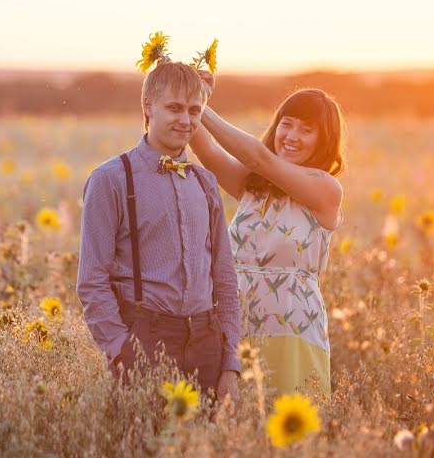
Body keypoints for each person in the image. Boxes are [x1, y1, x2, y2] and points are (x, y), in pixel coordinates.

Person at [76, 60, 241, 399]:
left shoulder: (206, 183)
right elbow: (92, 280)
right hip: (144, 339)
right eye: (175, 108)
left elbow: (224, 279)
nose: (186, 120)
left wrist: (230, 361)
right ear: (148, 105)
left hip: (206, 342)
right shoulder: (111, 179)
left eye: (195, 110)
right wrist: (122, 351)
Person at [189, 77, 345, 397]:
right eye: (286, 124)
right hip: (235, 328)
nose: (291, 136)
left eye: (306, 129)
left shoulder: (326, 189)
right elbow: (205, 148)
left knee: (289, 434)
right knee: (236, 432)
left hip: (293, 332)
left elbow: (260, 158)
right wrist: (182, 94)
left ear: (324, 139)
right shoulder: (253, 187)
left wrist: (201, 104)